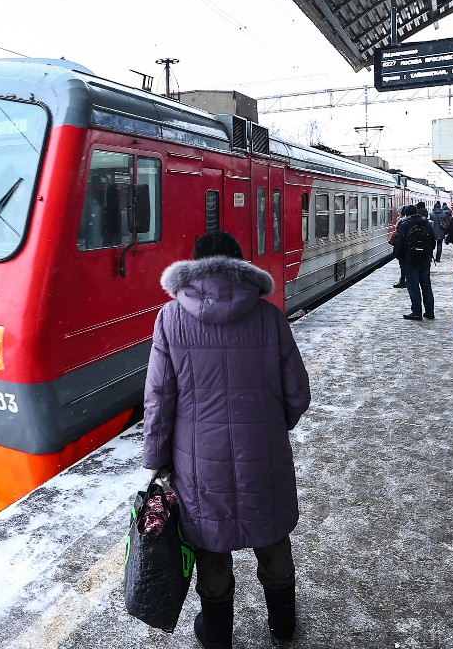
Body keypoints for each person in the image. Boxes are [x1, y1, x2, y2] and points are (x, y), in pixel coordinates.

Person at [142, 231, 311, 648]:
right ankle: (283, 625)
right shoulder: (269, 317)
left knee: (210, 542)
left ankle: (217, 635)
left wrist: (156, 458)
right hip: (263, 452)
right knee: (270, 534)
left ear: (194, 267)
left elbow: (159, 397)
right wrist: (271, 427)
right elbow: (298, 392)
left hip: (198, 458)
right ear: (241, 266)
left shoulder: (170, 318)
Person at [394, 205, 436, 319]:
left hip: (410, 260)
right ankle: (429, 311)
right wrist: (427, 253)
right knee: (426, 286)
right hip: (424, 260)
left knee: (413, 286)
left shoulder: (405, 224)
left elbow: (399, 242)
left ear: (406, 214)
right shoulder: (426, 223)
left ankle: (416, 312)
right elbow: (433, 241)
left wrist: (400, 257)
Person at [392, 205, 415, 288]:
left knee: (404, 266)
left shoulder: (403, 223)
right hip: (419, 250)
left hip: (406, 249)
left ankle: (403, 281)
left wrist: (397, 252)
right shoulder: (424, 222)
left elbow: (400, 239)